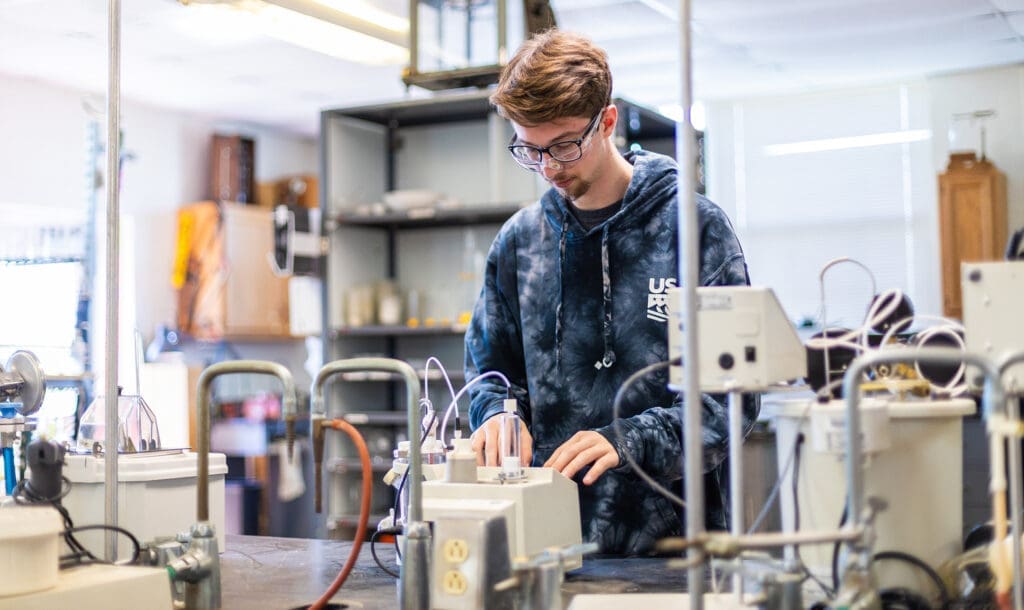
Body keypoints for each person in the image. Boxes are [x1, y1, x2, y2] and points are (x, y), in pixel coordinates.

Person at [464, 29, 757, 555]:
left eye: (564, 145)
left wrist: (628, 439)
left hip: (675, 549)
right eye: (529, 151)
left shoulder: (694, 231)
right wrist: (498, 415)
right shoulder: (518, 245)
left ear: (608, 122)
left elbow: (730, 401)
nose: (548, 168)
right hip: (546, 544)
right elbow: (490, 374)